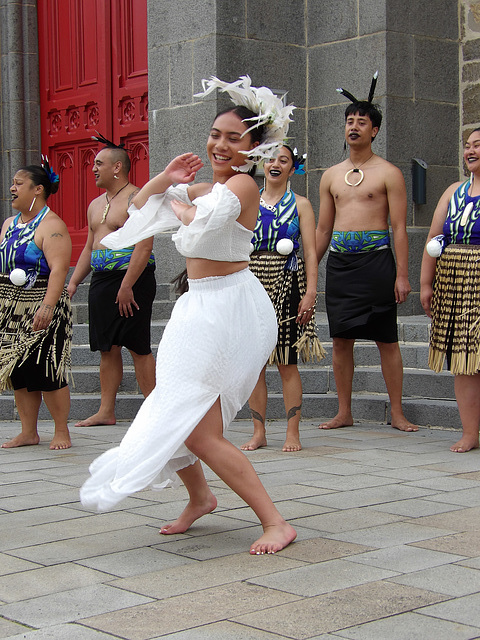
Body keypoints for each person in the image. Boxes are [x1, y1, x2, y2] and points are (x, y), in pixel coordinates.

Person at [80, 76, 297, 555]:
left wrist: (177, 200)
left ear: (254, 149)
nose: (220, 144)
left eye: (233, 138)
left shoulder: (240, 185)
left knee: (198, 427)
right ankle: (200, 497)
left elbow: (197, 223)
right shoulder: (211, 185)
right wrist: (164, 180)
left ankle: (275, 521)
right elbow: (134, 211)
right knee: (173, 406)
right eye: (215, 134)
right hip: (197, 305)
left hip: (230, 308)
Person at [315, 73, 417, 432]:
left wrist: (402, 274)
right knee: (341, 341)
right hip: (341, 264)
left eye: (361, 121)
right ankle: (344, 411)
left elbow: (399, 228)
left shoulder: (388, 173)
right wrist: (311, 271)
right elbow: (323, 229)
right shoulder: (330, 176)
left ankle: (398, 412)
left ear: (374, 130)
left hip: (377, 262)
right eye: (349, 121)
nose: (353, 126)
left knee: (386, 339)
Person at [67, 135, 156, 427]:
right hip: (102, 280)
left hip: (133, 279)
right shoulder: (95, 205)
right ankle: (106, 411)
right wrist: (73, 283)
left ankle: (155, 412)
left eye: (98, 163)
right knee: (107, 347)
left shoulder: (138, 198)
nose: (93, 168)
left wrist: (128, 285)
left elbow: (144, 246)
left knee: (137, 345)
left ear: (117, 167)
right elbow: (89, 247)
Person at [241, 145, 324, 452]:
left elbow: (311, 252)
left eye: (283, 160)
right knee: (255, 364)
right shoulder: (249, 200)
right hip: (251, 281)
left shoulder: (301, 204)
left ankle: (292, 432)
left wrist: (311, 292)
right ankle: (258, 431)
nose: (275, 164)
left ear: (293, 168)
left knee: (286, 361)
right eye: (270, 159)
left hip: (288, 280)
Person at [0, 159, 72, 450]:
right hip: (10, 307)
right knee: (19, 370)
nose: (12, 188)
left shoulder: (52, 225)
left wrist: (47, 307)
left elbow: (58, 269)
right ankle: (28, 431)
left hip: (42, 304)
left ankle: (61, 431)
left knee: (47, 371)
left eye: (18, 183)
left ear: (38, 189)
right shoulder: (8, 224)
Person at [420, 128, 480, 453]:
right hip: (455, 282)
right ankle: (470, 432)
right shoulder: (453, 191)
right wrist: (426, 284)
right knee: (465, 358)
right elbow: (433, 238)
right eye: (466, 146)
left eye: (477, 145)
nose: (470, 151)